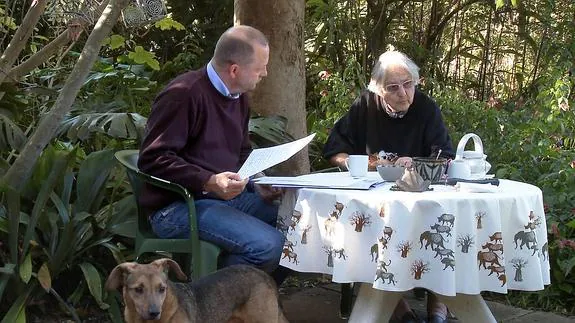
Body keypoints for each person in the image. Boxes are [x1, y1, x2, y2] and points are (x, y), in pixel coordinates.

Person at [137, 25, 287, 284]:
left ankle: (246, 304)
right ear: (234, 69)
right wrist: (208, 181)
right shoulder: (183, 94)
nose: (265, 73)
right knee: (268, 246)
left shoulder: (238, 97)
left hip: (223, 200)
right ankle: (216, 306)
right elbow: (152, 159)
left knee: (299, 231)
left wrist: (258, 181)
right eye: (260, 67)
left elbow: (241, 152)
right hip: (177, 207)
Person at [323, 50, 454, 323]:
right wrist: (367, 163)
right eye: (393, 88)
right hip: (375, 200)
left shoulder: (426, 108)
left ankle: (438, 312)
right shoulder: (364, 106)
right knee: (368, 232)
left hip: (420, 195)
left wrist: (417, 163)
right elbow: (335, 150)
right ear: (378, 89)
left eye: (408, 85)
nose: (403, 93)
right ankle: (400, 312)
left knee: (445, 224)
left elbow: (444, 156)